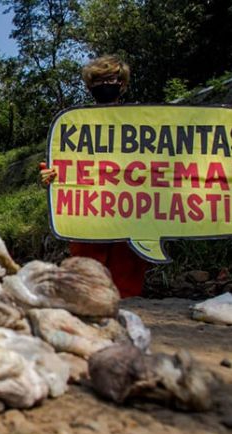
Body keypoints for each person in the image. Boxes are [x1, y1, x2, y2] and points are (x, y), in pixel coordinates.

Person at [41, 55, 150, 298]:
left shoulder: (141, 122)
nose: (105, 85)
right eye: (98, 81)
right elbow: (64, 164)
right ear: (90, 87)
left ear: (122, 84)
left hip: (129, 215)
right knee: (88, 288)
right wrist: (51, 176)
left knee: (127, 289)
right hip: (88, 217)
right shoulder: (74, 126)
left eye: (110, 79)